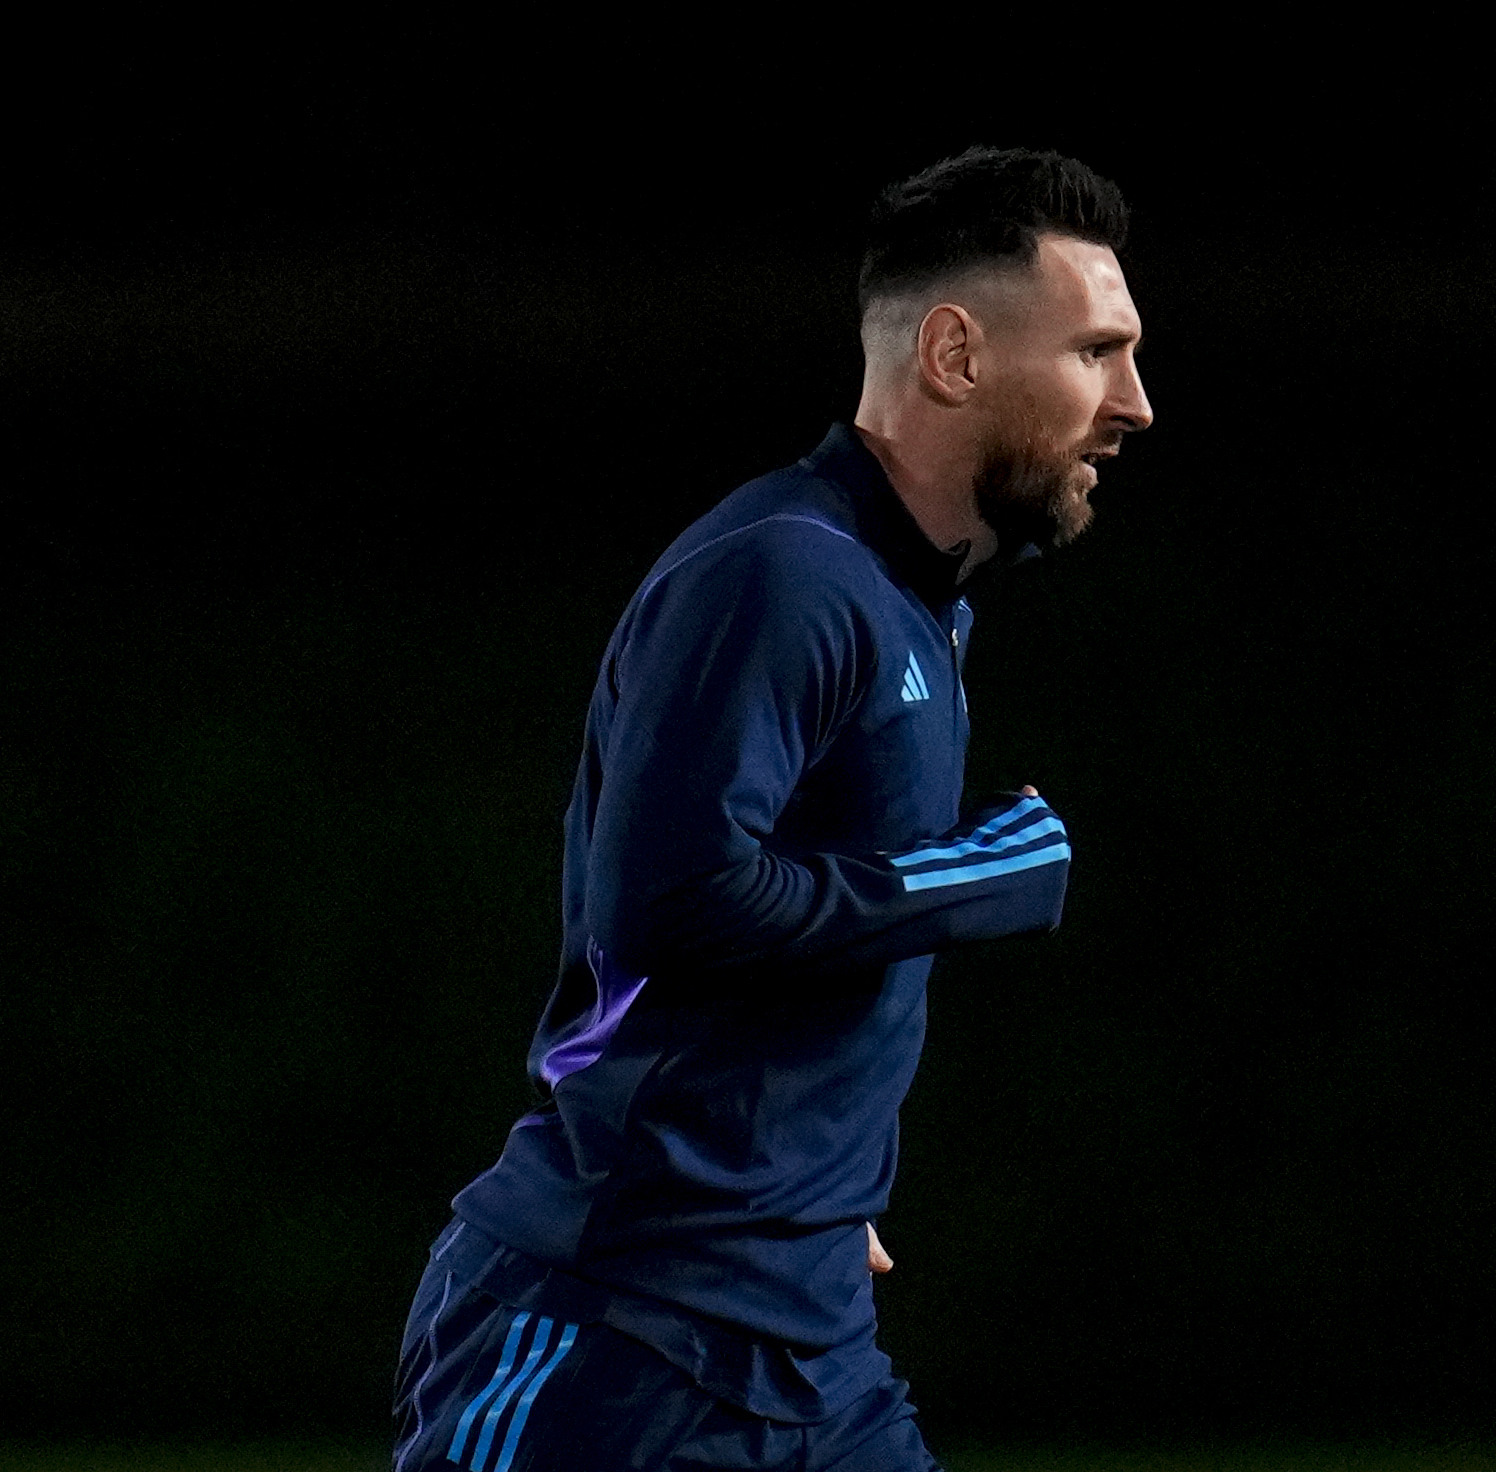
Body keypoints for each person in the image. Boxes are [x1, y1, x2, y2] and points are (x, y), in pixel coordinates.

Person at [395, 147, 1155, 1469]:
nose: (1133, 403)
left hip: (805, 1349)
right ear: (954, 355)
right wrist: (984, 872)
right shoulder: (782, 575)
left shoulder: (914, 604)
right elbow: (673, 903)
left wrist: (811, 1182)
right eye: (1097, 351)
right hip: (617, 1331)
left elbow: (786, 950)